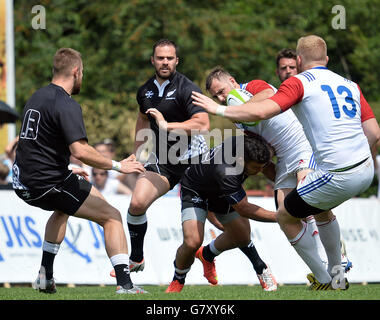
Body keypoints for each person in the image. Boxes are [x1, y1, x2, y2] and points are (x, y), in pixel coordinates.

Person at [192, 35, 379, 290]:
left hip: (301, 147)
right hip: (285, 158)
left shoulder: (252, 87)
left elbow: (267, 97)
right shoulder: (237, 115)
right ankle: (329, 271)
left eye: (222, 92)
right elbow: (261, 148)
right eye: (217, 97)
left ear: (233, 82)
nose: (222, 98)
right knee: (300, 210)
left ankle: (335, 267)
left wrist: (227, 108)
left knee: (297, 206)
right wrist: (270, 172)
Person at [12, 48, 147, 294]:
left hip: (24, 183)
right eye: (82, 72)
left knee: (63, 210)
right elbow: (81, 150)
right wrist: (119, 166)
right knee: (112, 217)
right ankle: (125, 285)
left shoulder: (36, 97)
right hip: (48, 184)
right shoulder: (66, 104)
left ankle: (45, 276)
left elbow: (36, 143)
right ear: (76, 71)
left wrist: (66, 167)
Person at [122, 39, 210, 274]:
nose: (165, 62)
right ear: (153, 60)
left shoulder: (187, 88)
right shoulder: (145, 91)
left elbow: (203, 123)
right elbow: (143, 117)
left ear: (176, 61)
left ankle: (257, 265)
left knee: (220, 223)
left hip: (195, 163)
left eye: (169, 58)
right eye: (160, 58)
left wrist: (167, 125)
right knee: (137, 203)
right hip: (164, 161)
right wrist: (137, 153)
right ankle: (137, 257)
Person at [166, 134, 278, 293]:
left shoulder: (247, 147)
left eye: (262, 166)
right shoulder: (227, 172)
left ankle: (207, 254)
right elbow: (244, 208)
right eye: (255, 168)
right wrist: (281, 217)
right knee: (192, 242)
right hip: (195, 189)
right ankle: (178, 278)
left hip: (218, 188)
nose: (260, 172)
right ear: (241, 161)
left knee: (242, 236)